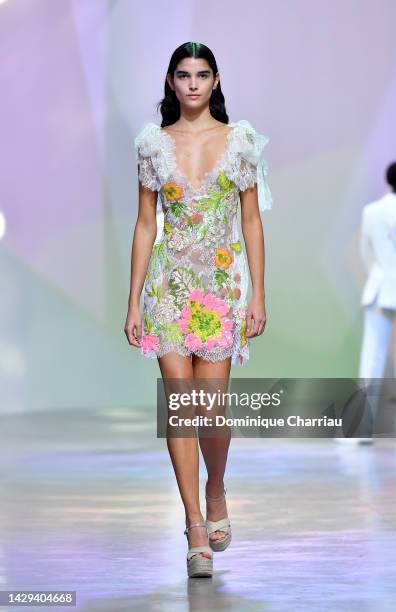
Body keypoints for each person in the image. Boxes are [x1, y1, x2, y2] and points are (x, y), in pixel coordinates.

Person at [124, 42, 273, 577]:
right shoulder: (152, 145)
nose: (192, 84)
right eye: (183, 75)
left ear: (215, 81)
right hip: (167, 287)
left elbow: (251, 220)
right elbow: (146, 224)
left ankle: (215, 487)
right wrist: (133, 298)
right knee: (180, 409)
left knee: (211, 410)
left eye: (202, 75)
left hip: (217, 286)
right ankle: (193, 526)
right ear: (171, 81)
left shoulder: (240, 142)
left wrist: (258, 293)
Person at [357, 161, 396, 446]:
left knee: (371, 359)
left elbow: (366, 252)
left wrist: (379, 275)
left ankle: (362, 428)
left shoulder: (371, 211)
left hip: (378, 288)